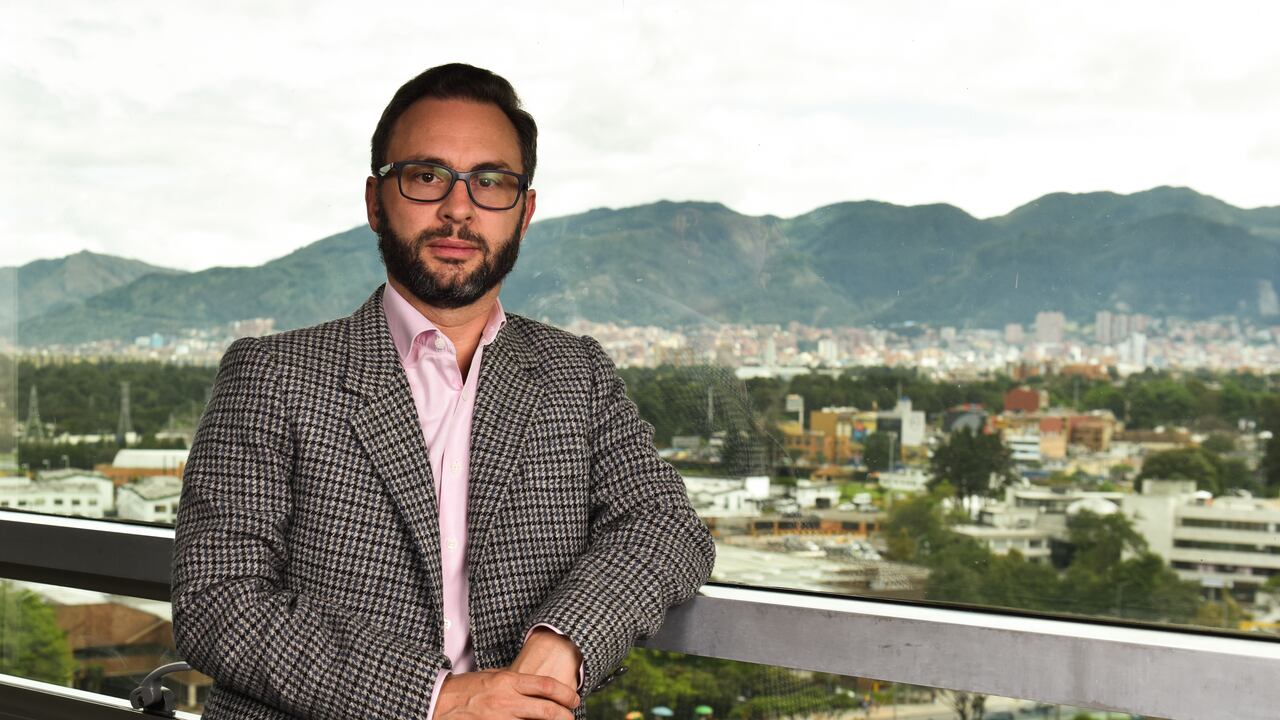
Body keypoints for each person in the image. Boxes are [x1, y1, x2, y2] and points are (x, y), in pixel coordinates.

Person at [171, 63, 716, 720]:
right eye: (427, 176)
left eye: (491, 181)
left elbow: (666, 527)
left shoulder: (578, 374)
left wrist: (564, 639)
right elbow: (217, 600)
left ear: (524, 212)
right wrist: (439, 700)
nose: (459, 208)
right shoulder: (272, 375)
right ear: (376, 202)